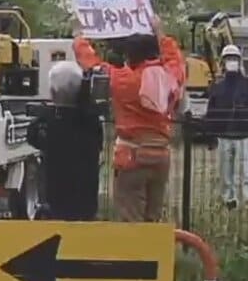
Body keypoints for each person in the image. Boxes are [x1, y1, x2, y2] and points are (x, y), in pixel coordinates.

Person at [73, 15, 185, 223]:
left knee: (130, 217)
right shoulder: (170, 75)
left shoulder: (125, 79)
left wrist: (79, 37)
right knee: (153, 217)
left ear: (130, 57)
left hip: (132, 154)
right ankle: (155, 254)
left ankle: (134, 255)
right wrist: (160, 31)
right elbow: (174, 58)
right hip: (161, 154)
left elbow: (92, 64)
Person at [27, 60, 103, 281]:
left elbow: (33, 136)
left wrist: (48, 109)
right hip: (85, 201)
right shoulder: (91, 119)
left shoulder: (51, 121)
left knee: (58, 268)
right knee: (80, 264)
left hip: (57, 202)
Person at [205, 44, 248, 209]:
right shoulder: (218, 87)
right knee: (225, 172)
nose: (231, 62)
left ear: (240, 61)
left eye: (234, 59)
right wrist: (211, 134)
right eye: (228, 59)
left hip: (246, 134)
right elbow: (212, 111)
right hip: (224, 135)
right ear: (223, 62)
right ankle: (228, 199)